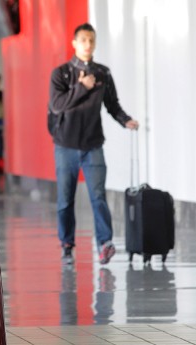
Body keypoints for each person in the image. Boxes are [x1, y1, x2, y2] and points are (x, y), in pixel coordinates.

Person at [48, 23, 139, 266]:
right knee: (65, 200)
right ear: (74, 43)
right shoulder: (61, 73)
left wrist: (125, 120)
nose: (88, 44)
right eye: (84, 40)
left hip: (92, 146)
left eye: (92, 40)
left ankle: (105, 244)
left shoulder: (103, 73)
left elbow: (112, 104)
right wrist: (82, 87)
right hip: (65, 146)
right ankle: (67, 245)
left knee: (98, 196)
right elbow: (57, 105)